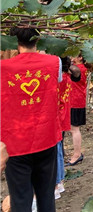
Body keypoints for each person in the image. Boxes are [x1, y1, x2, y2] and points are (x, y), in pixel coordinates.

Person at [1, 27, 62, 212]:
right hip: (46, 138)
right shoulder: (55, 62)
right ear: (38, 39)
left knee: (20, 198)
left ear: (13, 41)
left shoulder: (3, 68)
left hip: (15, 143)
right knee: (46, 196)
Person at [55, 57, 80, 199]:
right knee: (59, 148)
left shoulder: (59, 79)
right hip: (63, 115)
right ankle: (60, 181)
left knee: (56, 150)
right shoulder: (68, 78)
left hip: (56, 117)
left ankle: (57, 184)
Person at [66, 54, 87, 166]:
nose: (72, 57)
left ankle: (77, 154)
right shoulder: (81, 68)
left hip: (75, 102)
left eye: (74, 55)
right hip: (76, 101)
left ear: (80, 58)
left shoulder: (78, 69)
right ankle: (76, 154)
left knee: (74, 129)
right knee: (73, 129)